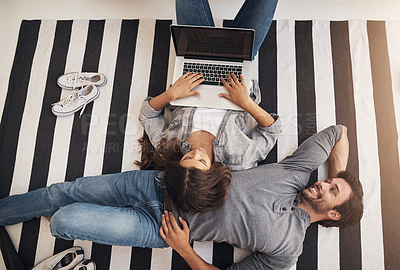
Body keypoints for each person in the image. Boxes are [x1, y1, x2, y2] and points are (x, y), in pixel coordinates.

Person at [0, 125, 364, 269]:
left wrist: (184, 249)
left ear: (333, 215)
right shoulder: (297, 173)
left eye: (332, 191)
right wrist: (345, 177)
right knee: (61, 191)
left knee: (65, 219)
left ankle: (61, 214)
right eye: (329, 180)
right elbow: (339, 133)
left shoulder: (288, 250)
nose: (323, 184)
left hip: (160, 227)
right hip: (155, 183)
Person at [136, 0, 282, 213]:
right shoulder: (241, 158)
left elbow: (147, 116)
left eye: (187, 157)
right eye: (202, 161)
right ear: (213, 171)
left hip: (194, 63)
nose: (196, 152)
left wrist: (171, 94)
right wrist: (246, 103)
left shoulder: (168, 148)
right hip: (234, 72)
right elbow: (271, 131)